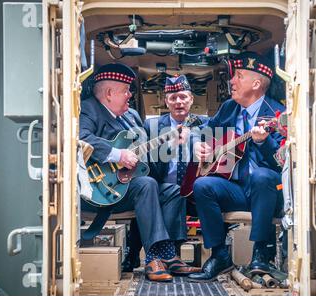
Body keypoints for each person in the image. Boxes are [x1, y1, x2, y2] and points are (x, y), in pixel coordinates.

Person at [79, 63, 199, 282]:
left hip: (128, 186)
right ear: (108, 93)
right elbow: (81, 138)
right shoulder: (89, 109)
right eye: (126, 90)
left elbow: (145, 158)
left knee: (172, 190)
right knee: (147, 185)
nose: (130, 95)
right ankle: (153, 258)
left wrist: (171, 145)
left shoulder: (132, 115)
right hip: (100, 189)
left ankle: (169, 256)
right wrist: (118, 155)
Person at [187, 52, 286, 282]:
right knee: (202, 185)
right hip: (238, 189)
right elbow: (204, 132)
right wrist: (198, 145)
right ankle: (219, 255)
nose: (231, 81)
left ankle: (261, 253)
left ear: (256, 83)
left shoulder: (277, 114)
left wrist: (263, 142)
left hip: (268, 193)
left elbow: (283, 162)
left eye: (238, 76)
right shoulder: (229, 108)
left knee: (262, 176)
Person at [122, 75, 206, 272]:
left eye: (183, 97)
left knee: (180, 194)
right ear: (166, 101)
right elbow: (145, 164)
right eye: (173, 97)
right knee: (154, 193)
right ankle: (159, 256)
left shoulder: (205, 124)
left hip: (194, 189)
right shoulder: (150, 126)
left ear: (191, 99)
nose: (179, 102)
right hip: (160, 183)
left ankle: (168, 256)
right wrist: (168, 146)